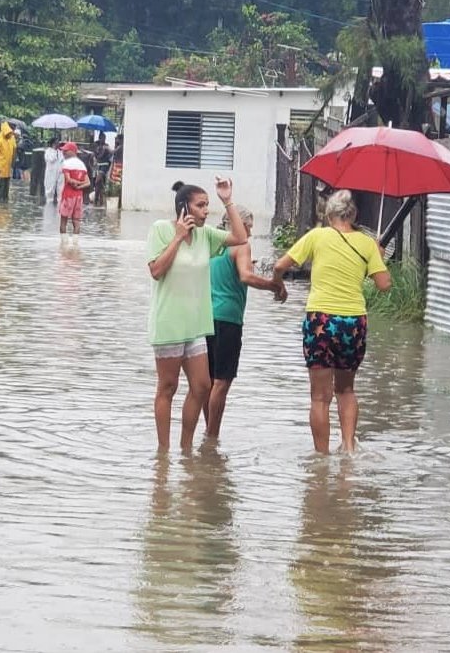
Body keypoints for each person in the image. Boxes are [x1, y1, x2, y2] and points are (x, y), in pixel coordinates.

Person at [272, 189, 391, 454]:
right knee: (346, 390)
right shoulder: (367, 243)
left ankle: (321, 458)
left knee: (319, 397)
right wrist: (378, 257)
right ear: (355, 214)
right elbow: (384, 285)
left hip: (320, 321)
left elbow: (279, 266)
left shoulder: (317, 236)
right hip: (353, 322)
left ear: (328, 214)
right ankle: (349, 448)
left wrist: (279, 286)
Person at [147, 178, 247, 452]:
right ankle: (163, 453)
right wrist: (178, 237)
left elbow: (240, 237)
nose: (206, 211)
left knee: (202, 386)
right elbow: (156, 271)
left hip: (196, 325)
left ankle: (186, 449)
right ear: (184, 208)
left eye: (207, 206)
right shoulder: (161, 230)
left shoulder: (207, 235)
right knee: (167, 387)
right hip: (169, 323)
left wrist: (228, 200)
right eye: (200, 206)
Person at [203, 205, 283, 439]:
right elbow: (245, 276)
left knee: (207, 381)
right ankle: (212, 437)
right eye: (249, 224)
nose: (250, 229)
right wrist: (273, 285)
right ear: (241, 224)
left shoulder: (213, 245)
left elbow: (227, 271)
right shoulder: (241, 245)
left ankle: (208, 433)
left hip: (206, 317)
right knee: (222, 381)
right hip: (228, 319)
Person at [58, 141, 90, 236]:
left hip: (68, 196)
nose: (63, 153)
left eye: (65, 151)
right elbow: (88, 183)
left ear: (72, 151)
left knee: (63, 221)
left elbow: (68, 180)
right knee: (76, 222)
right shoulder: (82, 165)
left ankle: (63, 243)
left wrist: (75, 184)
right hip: (79, 197)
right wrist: (79, 186)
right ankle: (75, 244)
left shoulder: (66, 163)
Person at [0, 121, 17, 202]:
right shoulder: (0, 142)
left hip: (7, 169)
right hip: (0, 168)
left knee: (6, 189)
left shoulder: (11, 140)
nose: (10, 134)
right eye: (9, 133)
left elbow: (13, 152)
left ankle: (4, 203)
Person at [92, 132, 112, 207]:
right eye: (102, 138)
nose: (104, 139)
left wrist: (104, 150)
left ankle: (97, 200)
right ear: (99, 138)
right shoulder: (96, 145)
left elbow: (110, 154)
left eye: (104, 138)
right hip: (98, 165)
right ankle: (99, 201)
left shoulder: (106, 146)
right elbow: (95, 155)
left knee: (97, 181)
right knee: (98, 184)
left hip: (105, 165)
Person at [43, 137, 63, 203]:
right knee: (50, 187)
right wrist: (54, 152)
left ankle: (59, 201)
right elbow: (51, 159)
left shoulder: (60, 152)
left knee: (60, 187)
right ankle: (49, 201)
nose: (58, 144)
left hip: (60, 172)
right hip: (51, 172)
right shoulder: (48, 151)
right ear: (53, 143)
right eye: (56, 142)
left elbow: (62, 160)